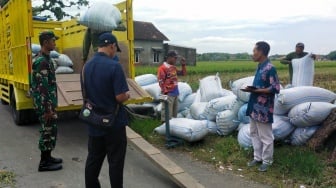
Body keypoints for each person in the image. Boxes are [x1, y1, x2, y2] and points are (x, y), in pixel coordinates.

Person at [82, 32, 130, 188]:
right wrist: (127, 94)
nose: (115, 52)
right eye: (115, 49)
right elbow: (120, 97)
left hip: (94, 121)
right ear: (112, 46)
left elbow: (85, 93)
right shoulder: (114, 66)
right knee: (115, 163)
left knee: (93, 160)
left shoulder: (86, 66)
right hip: (113, 124)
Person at [244, 41, 280, 172]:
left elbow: (275, 88)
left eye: (254, 51)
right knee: (254, 133)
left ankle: (267, 161)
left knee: (266, 136)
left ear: (261, 52)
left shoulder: (270, 68)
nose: (253, 54)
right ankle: (257, 157)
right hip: (254, 106)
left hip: (263, 109)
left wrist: (256, 91)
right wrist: (253, 90)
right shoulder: (260, 66)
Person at [31, 31, 63, 172]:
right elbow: (42, 88)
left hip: (48, 102)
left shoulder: (46, 58)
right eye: (53, 41)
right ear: (45, 43)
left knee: (51, 130)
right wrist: (48, 109)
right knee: (47, 131)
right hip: (45, 104)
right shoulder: (41, 61)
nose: (54, 43)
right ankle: (44, 163)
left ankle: (48, 157)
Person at [157, 50, 187, 122]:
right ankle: (165, 130)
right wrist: (165, 93)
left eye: (176, 58)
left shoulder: (173, 67)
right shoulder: (162, 68)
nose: (176, 59)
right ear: (169, 58)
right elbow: (161, 82)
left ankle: (172, 129)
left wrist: (183, 65)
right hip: (168, 94)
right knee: (166, 114)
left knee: (174, 114)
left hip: (175, 93)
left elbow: (183, 74)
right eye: (175, 58)